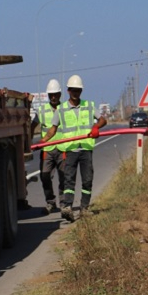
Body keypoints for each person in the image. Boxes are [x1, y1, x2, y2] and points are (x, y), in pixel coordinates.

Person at [44, 74, 105, 221]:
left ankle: (84, 208)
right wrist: (42, 141)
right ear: (68, 91)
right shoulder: (62, 109)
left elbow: (103, 119)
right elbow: (53, 129)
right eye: (73, 90)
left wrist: (96, 127)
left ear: (81, 91)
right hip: (70, 150)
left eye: (78, 90)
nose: (75, 93)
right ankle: (67, 207)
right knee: (69, 180)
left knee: (87, 180)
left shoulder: (89, 106)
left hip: (85, 149)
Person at [30, 79, 68, 214]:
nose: (53, 97)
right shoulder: (42, 110)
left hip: (62, 148)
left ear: (60, 94)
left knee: (64, 176)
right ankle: (50, 202)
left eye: (56, 94)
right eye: (51, 94)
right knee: (45, 176)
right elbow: (32, 126)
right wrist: (29, 142)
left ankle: (64, 203)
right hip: (47, 150)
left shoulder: (65, 109)